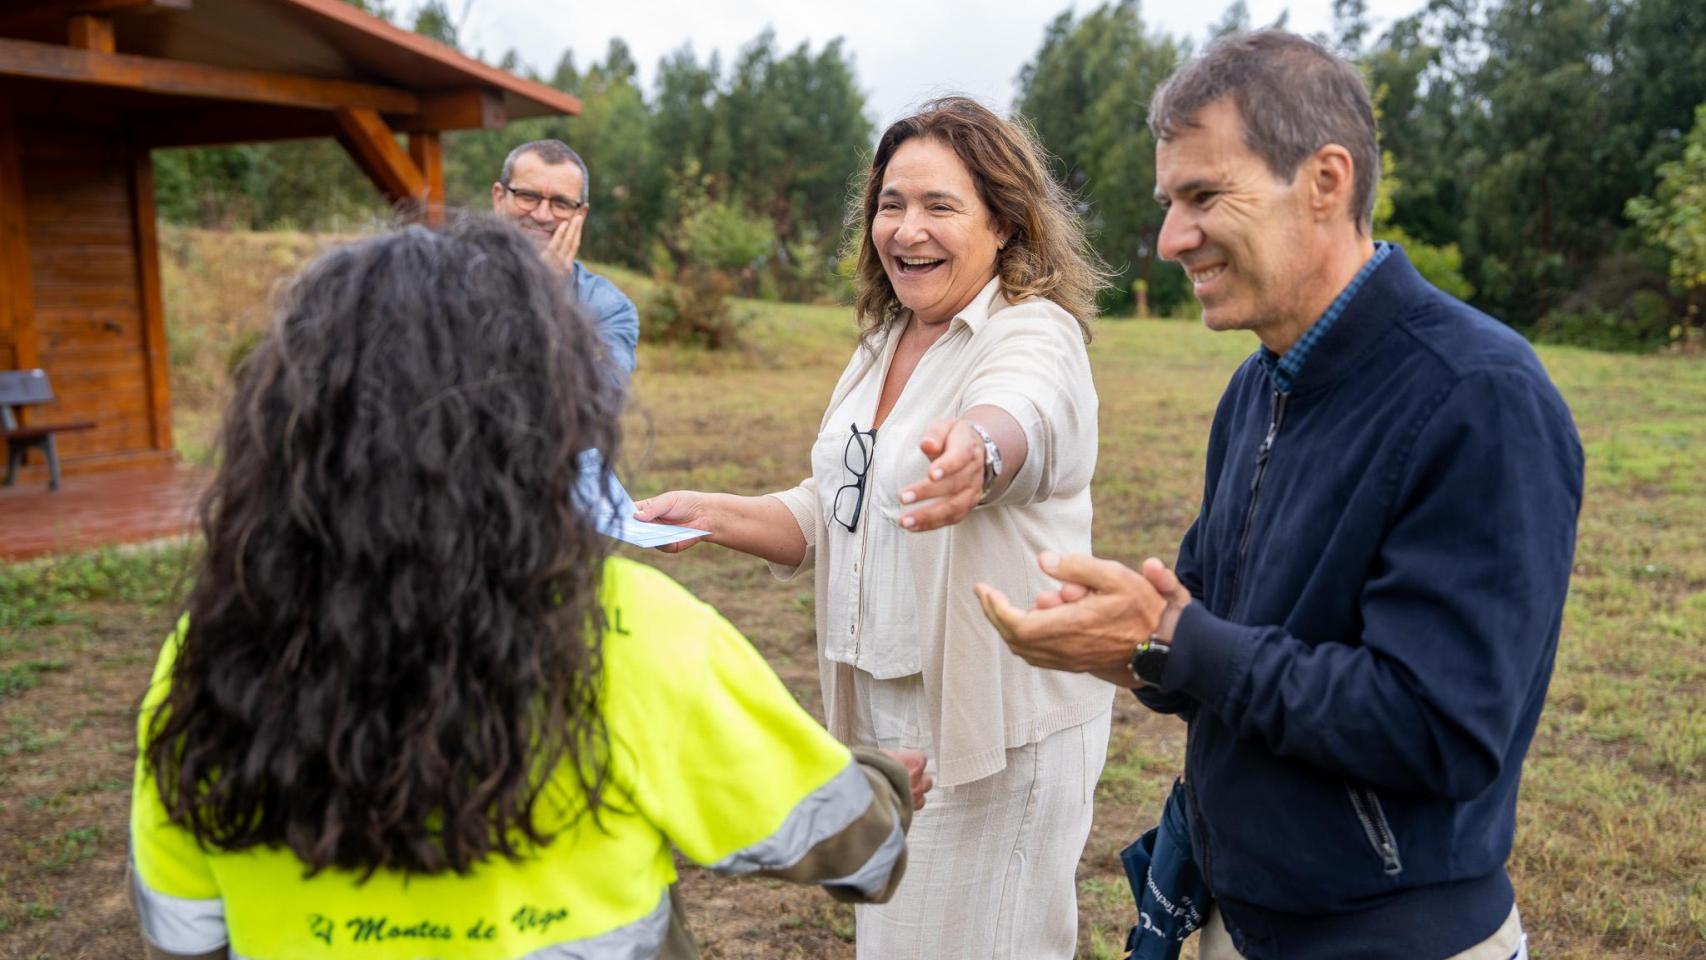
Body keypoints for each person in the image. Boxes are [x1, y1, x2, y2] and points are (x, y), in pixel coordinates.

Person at [127, 218, 928, 960]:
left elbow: (184, 930)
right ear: (546, 409)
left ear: (293, 419)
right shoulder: (634, 631)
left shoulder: (211, 646)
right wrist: (883, 781)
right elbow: (859, 850)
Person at [977, 30, 1584, 960]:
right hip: (1242, 918)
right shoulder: (1259, 384)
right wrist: (1120, 642)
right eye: (1169, 202)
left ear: (1326, 181)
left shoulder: (1479, 395)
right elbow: (1216, 634)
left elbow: (1442, 729)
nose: (1173, 238)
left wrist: (1173, 640)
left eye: (1204, 196)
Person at [634, 97, 1113, 959]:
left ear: (1004, 222)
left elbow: (1026, 421)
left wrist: (976, 451)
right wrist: (713, 514)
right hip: (884, 717)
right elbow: (834, 507)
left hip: (995, 724)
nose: (907, 228)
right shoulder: (883, 341)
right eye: (892, 204)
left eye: (939, 206)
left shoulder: (1032, 331)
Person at [491, 139, 638, 384]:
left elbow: (602, 400)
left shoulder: (607, 308)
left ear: (580, 214)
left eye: (561, 203)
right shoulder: (446, 278)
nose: (542, 215)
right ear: (499, 198)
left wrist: (544, 289)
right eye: (528, 196)